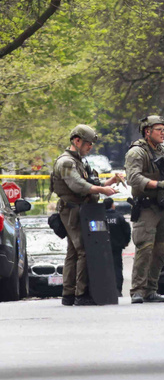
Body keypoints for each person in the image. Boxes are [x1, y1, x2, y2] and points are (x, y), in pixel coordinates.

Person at [51, 124, 119, 305]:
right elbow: (77, 185)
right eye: (88, 143)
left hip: (81, 209)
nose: (90, 147)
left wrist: (109, 182)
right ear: (77, 140)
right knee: (82, 249)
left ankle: (69, 294)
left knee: (73, 251)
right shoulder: (66, 162)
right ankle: (80, 294)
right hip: (72, 210)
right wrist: (102, 190)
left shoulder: (79, 160)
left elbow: (89, 182)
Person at [125, 114, 164, 304]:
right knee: (145, 248)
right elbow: (133, 178)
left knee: (161, 250)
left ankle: (151, 290)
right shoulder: (137, 152)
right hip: (146, 207)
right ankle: (137, 290)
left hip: (162, 208)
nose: (163, 133)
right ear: (148, 132)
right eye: (159, 130)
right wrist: (158, 184)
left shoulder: (162, 151)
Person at [103, 197, 132, 294]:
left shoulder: (100, 217)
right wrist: (125, 242)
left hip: (102, 247)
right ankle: (117, 290)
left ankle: (104, 290)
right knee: (117, 268)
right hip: (116, 246)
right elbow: (127, 230)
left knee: (103, 268)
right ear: (112, 205)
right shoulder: (119, 217)